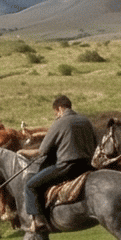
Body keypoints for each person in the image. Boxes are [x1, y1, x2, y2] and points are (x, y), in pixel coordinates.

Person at [22, 95, 94, 231]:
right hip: (87, 166)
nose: (55, 115)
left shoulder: (60, 122)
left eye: (55, 112)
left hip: (67, 167)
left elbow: (42, 151)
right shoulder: (86, 121)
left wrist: (23, 152)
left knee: (30, 185)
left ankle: (38, 220)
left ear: (59, 108)